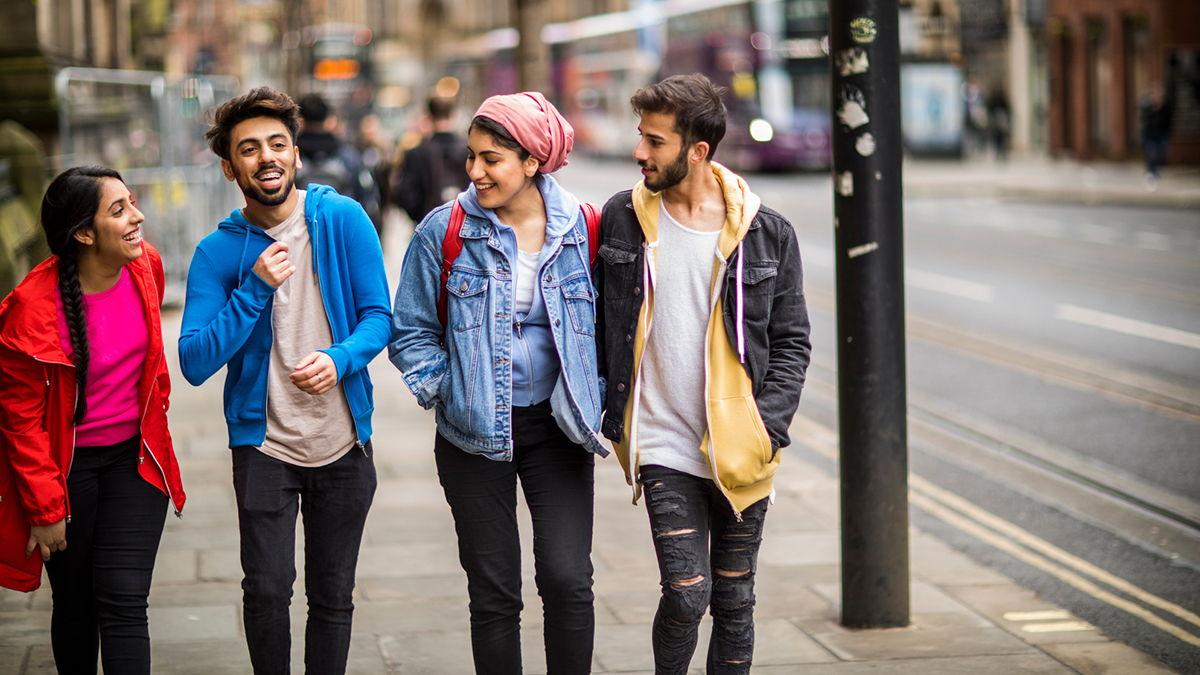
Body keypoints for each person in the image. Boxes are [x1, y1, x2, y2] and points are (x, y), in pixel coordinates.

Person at [595, 73, 810, 674]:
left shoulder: (767, 233)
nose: (640, 151)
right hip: (664, 442)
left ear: (697, 151)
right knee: (689, 595)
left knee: (735, 601)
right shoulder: (622, 220)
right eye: (642, 136)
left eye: (654, 141)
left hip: (742, 446)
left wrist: (767, 428)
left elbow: (792, 343)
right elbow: (591, 322)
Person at [390, 91, 605, 674]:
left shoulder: (584, 229)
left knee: (568, 579)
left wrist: (598, 395)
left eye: (492, 159)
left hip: (557, 427)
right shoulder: (446, 230)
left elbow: (612, 328)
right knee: (494, 593)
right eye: (472, 156)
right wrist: (447, 390)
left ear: (533, 161)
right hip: (472, 434)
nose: (475, 171)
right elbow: (409, 329)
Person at [179, 87, 391, 674]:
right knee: (268, 592)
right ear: (230, 167)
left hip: (344, 442)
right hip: (263, 448)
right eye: (249, 149)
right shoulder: (218, 252)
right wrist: (254, 288)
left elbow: (380, 318)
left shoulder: (342, 218)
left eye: (277, 144)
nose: (266, 157)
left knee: (333, 597)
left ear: (295, 154)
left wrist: (341, 358)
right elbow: (194, 361)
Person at [0, 166, 186, 674]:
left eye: (132, 202)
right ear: (84, 233)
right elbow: (20, 419)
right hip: (67, 469)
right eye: (119, 209)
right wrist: (44, 506)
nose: (137, 216)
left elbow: (152, 371)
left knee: (125, 601)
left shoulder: (146, 265)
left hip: (135, 459)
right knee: (77, 601)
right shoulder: (30, 310)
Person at [296, 93, 382, 233]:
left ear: (301, 121)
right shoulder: (347, 155)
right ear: (329, 121)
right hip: (342, 232)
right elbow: (368, 199)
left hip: (300, 234)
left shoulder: (291, 156)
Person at [394, 96, 469, 224]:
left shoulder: (416, 153)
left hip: (427, 225)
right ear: (454, 115)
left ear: (429, 117)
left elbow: (405, 194)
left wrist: (420, 217)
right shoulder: (468, 151)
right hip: (464, 225)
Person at [1140, 83, 1175, 186]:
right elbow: (1145, 120)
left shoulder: (1166, 107)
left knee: (1162, 153)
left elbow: (1168, 121)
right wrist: (1153, 110)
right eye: (1156, 96)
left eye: (1160, 96)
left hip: (1161, 134)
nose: (1157, 98)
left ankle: (1154, 170)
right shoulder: (1147, 107)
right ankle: (1151, 172)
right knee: (1151, 153)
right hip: (1149, 134)